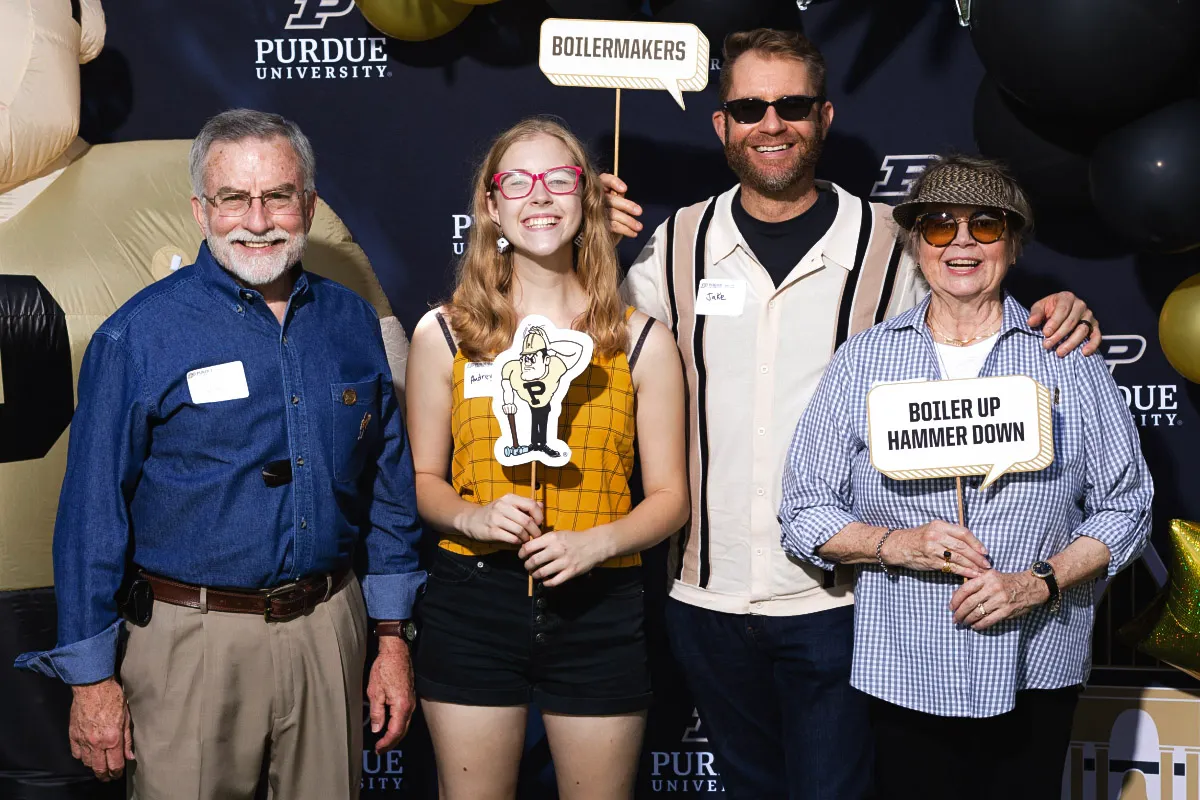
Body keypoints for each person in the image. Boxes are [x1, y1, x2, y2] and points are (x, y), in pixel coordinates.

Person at [605, 28, 1102, 800]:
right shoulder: (676, 245)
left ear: (824, 117)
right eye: (749, 107)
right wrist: (578, 248)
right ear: (721, 124)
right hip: (704, 590)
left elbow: (978, 318)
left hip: (844, 598)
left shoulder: (891, 245)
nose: (772, 124)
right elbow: (590, 345)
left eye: (792, 105)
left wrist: (1060, 311)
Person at [14, 109, 425, 800]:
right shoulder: (137, 337)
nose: (256, 218)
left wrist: (391, 638)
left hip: (330, 630)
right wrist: (90, 680)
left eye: (278, 196)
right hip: (189, 644)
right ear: (201, 210)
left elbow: (388, 489)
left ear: (310, 204)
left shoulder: (352, 322)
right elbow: (91, 516)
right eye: (234, 197)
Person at [778, 155, 1152, 799]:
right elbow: (804, 509)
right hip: (906, 667)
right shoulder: (865, 359)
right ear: (916, 242)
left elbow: (1128, 507)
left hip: (1036, 660)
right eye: (938, 226)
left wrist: (1040, 582)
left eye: (984, 225)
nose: (960, 244)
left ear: (1013, 241)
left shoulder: (1066, 355)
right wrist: (897, 544)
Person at [405, 117, 688, 800]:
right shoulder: (443, 334)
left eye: (560, 180)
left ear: (586, 201)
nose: (540, 196)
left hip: (601, 606)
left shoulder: (640, 340)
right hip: (473, 602)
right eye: (519, 182)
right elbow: (424, 482)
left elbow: (672, 497)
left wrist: (598, 543)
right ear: (491, 205)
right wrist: (472, 519)